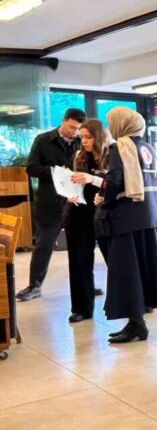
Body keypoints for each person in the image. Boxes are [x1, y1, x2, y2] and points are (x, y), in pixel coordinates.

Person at [95, 107, 157, 344]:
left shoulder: (120, 146)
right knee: (143, 270)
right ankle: (137, 323)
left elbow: (115, 179)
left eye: (111, 123)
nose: (109, 128)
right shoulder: (147, 147)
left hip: (127, 218)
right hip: (149, 215)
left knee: (127, 273)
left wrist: (103, 201)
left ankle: (137, 325)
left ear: (121, 125)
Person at [16, 108, 84, 302]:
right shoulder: (43, 140)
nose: (74, 132)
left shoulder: (82, 142)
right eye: (71, 127)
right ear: (63, 121)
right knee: (44, 246)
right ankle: (34, 286)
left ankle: (85, 283)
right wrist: (54, 171)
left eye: (78, 129)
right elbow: (31, 168)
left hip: (76, 201)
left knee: (80, 246)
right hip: (50, 201)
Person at [65, 119, 111, 322]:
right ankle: (81, 309)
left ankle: (137, 304)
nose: (83, 141)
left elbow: (118, 183)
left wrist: (93, 179)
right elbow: (68, 181)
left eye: (88, 137)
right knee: (79, 262)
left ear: (98, 137)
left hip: (106, 213)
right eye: (81, 137)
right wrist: (70, 193)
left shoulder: (112, 156)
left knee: (117, 261)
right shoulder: (77, 157)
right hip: (79, 213)